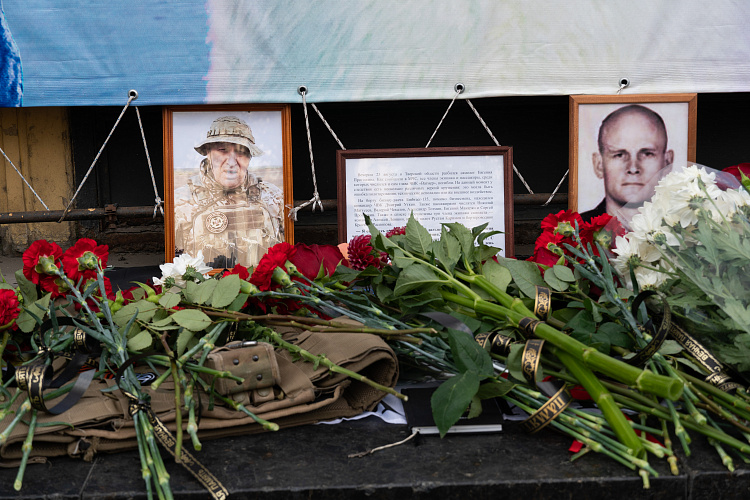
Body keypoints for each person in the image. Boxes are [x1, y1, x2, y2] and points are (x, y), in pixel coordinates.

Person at [174, 116, 284, 268]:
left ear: (250, 157)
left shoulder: (273, 197)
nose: (231, 162)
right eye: (222, 150)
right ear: (208, 153)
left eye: (241, 152)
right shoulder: (180, 201)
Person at [580, 105, 674, 227]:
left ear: (667, 163)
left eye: (647, 154)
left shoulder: (689, 231)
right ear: (599, 164)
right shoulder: (573, 233)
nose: (633, 168)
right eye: (619, 155)